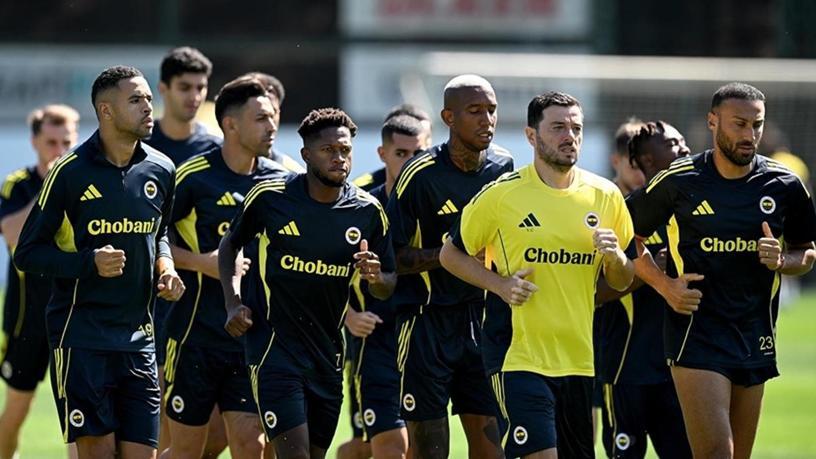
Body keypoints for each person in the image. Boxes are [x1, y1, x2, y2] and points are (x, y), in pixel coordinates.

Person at [440, 91, 635, 459]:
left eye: (576, 128)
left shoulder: (606, 196)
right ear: (531, 136)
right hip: (517, 356)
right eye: (558, 127)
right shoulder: (501, 196)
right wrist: (500, 285)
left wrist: (615, 258)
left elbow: (624, 280)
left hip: (579, 360)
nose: (570, 136)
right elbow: (450, 253)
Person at [626, 82, 816, 459]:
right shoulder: (679, 180)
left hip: (756, 333)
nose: (749, 135)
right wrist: (665, 286)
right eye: (739, 124)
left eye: (756, 125)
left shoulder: (785, 185)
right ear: (713, 122)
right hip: (696, 333)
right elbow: (627, 235)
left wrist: (782, 260)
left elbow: (806, 251)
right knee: (716, 453)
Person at [13, 65, 185, 458]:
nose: (148, 107)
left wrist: (166, 266)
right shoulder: (69, 172)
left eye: (148, 98)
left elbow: (160, 233)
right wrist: (89, 262)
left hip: (140, 340)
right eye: (136, 100)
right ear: (106, 111)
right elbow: (27, 253)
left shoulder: (161, 169)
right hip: (82, 338)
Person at [218, 107, 396, 459]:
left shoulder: (368, 211)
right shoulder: (271, 197)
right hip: (274, 349)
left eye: (345, 150)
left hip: (327, 355)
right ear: (306, 154)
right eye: (328, 150)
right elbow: (230, 244)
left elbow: (388, 283)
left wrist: (376, 277)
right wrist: (232, 301)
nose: (339, 158)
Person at [385, 74, 512, 458]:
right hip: (426, 324)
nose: (487, 120)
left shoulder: (503, 167)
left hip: (484, 322)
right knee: (430, 450)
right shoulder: (419, 174)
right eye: (475, 111)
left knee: (492, 449)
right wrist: (453, 257)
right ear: (449, 117)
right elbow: (394, 257)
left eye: (491, 110)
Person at [162, 78, 289, 459]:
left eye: (273, 117)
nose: (272, 126)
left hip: (251, 337)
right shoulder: (193, 176)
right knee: (186, 450)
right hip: (194, 335)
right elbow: (151, 237)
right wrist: (201, 263)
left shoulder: (280, 180)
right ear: (230, 124)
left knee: (251, 445)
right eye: (261, 118)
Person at [143, 45, 225, 457]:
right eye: (184, 87)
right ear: (163, 89)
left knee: (217, 430)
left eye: (200, 87)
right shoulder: (140, 144)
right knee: (157, 412)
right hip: (149, 294)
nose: (194, 96)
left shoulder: (214, 147)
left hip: (204, 302)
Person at [595, 120, 692, 458]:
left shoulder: (687, 211)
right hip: (625, 367)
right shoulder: (613, 216)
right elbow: (594, 293)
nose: (685, 150)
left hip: (679, 366)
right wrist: (649, 273)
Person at [337, 114, 425, 459]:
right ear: (382, 154)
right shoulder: (362, 208)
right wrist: (348, 315)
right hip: (375, 337)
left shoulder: (438, 206)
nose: (410, 162)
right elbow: (326, 269)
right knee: (386, 445)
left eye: (418, 154)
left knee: (418, 444)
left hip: (425, 337)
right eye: (401, 154)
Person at [0, 105, 79, 459]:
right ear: (34, 142)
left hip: (74, 316)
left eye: (67, 142)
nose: (59, 150)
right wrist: (49, 188)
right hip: (27, 318)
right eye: (51, 142)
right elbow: (11, 233)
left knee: (79, 416)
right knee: (17, 410)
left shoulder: (85, 184)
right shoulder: (19, 184)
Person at [352, 104, 432, 192]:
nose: (411, 161)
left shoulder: (438, 188)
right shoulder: (360, 191)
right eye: (401, 153)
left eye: (427, 137)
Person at [238, 72, 305, 173]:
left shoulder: (291, 175)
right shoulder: (212, 163)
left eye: (272, 113)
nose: (271, 126)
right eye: (260, 115)